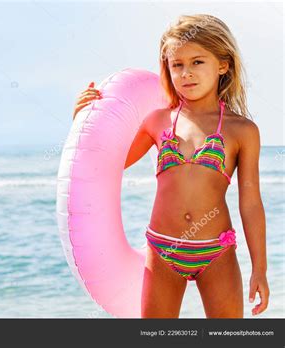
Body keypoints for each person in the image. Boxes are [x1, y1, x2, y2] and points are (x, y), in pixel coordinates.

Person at [72, 14, 269, 318]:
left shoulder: (241, 130)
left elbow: (251, 203)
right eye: (177, 65)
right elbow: (108, 162)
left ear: (223, 65)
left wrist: (260, 268)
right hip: (163, 251)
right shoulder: (159, 120)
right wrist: (83, 121)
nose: (186, 73)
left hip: (215, 251)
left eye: (197, 62)